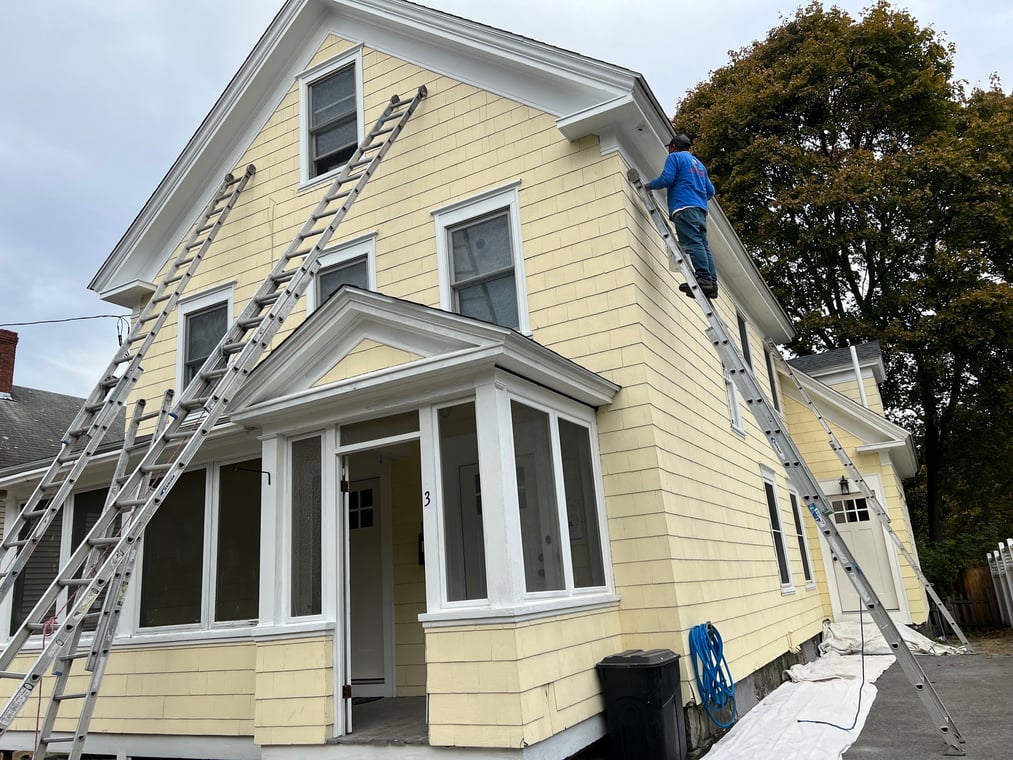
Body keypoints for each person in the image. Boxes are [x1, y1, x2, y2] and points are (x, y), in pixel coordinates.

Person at [643, 134, 718, 299]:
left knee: (693, 243)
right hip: (699, 209)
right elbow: (710, 191)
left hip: (684, 207)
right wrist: (696, 197)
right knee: (703, 245)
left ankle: (704, 279)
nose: (669, 151)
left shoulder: (675, 158)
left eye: (669, 148)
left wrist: (648, 186)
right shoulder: (699, 164)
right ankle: (712, 284)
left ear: (674, 147)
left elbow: (667, 179)